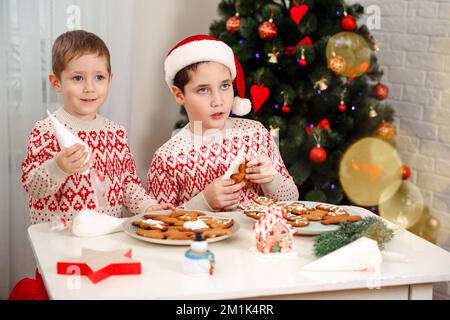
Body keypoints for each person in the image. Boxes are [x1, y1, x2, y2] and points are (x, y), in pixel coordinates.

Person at [11, 30, 173, 299]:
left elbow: (127, 186)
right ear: (56, 82)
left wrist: (149, 206)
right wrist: (58, 167)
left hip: (106, 246)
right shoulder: (45, 132)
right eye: (77, 78)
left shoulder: (116, 132)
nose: (89, 87)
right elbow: (34, 186)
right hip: (60, 247)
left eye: (99, 77)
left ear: (110, 80)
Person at [147, 34, 299, 211]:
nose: (218, 101)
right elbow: (157, 224)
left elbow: (292, 200)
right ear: (179, 95)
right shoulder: (168, 158)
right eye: (203, 90)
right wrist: (204, 202)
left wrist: (272, 180)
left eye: (225, 86)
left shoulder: (255, 134)